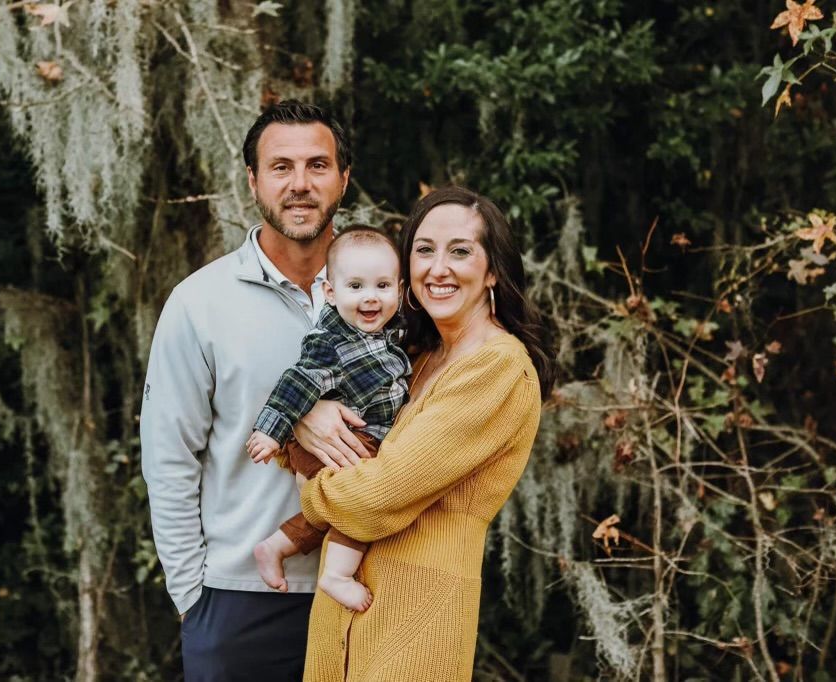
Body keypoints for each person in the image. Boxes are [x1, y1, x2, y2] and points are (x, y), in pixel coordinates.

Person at [140, 100, 370, 681]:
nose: (300, 184)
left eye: (318, 166)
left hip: (372, 585)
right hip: (240, 598)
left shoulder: (388, 293)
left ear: (344, 178)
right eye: (280, 166)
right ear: (253, 180)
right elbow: (169, 456)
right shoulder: (199, 303)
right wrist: (193, 596)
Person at [293, 185, 557, 681]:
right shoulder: (412, 359)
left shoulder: (497, 368)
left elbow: (375, 496)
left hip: (414, 621)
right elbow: (330, 436)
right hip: (341, 620)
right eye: (423, 250)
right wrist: (310, 416)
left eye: (460, 251)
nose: (438, 268)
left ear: (493, 269)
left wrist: (313, 489)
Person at [246, 227, 411, 613]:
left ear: (399, 290)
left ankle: (274, 547)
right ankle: (336, 574)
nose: (370, 296)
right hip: (341, 442)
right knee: (362, 504)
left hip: (352, 440)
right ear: (331, 293)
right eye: (355, 286)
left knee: (325, 514)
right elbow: (299, 380)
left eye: (383, 286)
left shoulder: (387, 330)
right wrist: (271, 431)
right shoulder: (332, 342)